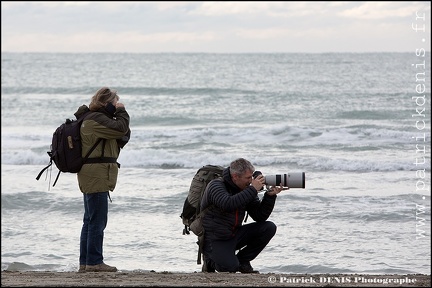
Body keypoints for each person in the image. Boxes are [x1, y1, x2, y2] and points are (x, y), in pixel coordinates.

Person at [76, 87, 131, 273]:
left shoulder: (95, 118)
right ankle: (94, 262)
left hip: (93, 173)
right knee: (97, 221)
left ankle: (86, 262)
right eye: (115, 102)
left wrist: (117, 117)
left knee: (90, 220)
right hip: (96, 175)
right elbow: (121, 128)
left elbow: (121, 136)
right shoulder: (95, 119)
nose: (118, 105)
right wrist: (122, 111)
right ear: (107, 102)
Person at [200, 158, 284, 273]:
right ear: (235, 176)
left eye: (251, 177)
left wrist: (270, 196)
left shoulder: (245, 189)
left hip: (234, 234)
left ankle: (243, 261)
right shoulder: (216, 185)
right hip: (215, 239)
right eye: (248, 178)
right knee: (230, 268)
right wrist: (253, 189)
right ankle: (209, 260)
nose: (251, 181)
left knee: (269, 227)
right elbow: (228, 204)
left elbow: (259, 216)